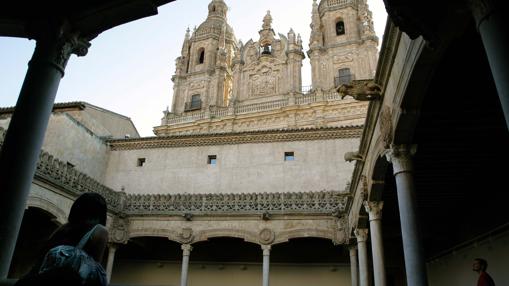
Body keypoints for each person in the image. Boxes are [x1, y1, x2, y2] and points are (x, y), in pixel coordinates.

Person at [15, 192, 109, 286]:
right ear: (101, 212)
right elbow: (94, 267)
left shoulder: (64, 228)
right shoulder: (100, 231)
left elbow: (43, 256)